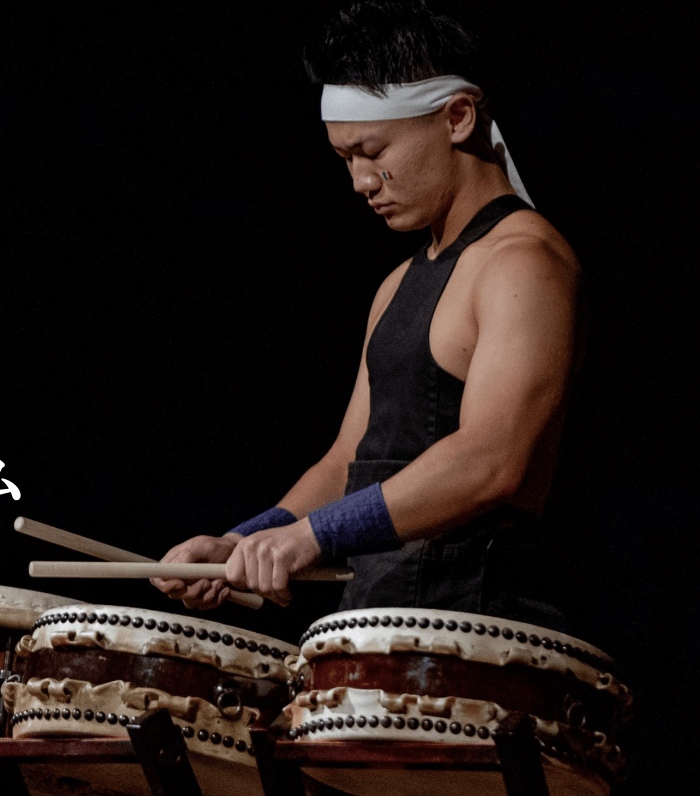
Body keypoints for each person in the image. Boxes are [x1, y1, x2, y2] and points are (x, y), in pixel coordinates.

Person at [152, 1, 583, 633]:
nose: (360, 182)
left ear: (457, 117)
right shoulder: (397, 284)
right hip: (376, 622)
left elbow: (491, 459)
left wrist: (312, 538)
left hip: (473, 635)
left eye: (371, 151)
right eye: (344, 160)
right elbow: (348, 461)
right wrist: (243, 541)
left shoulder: (523, 262)